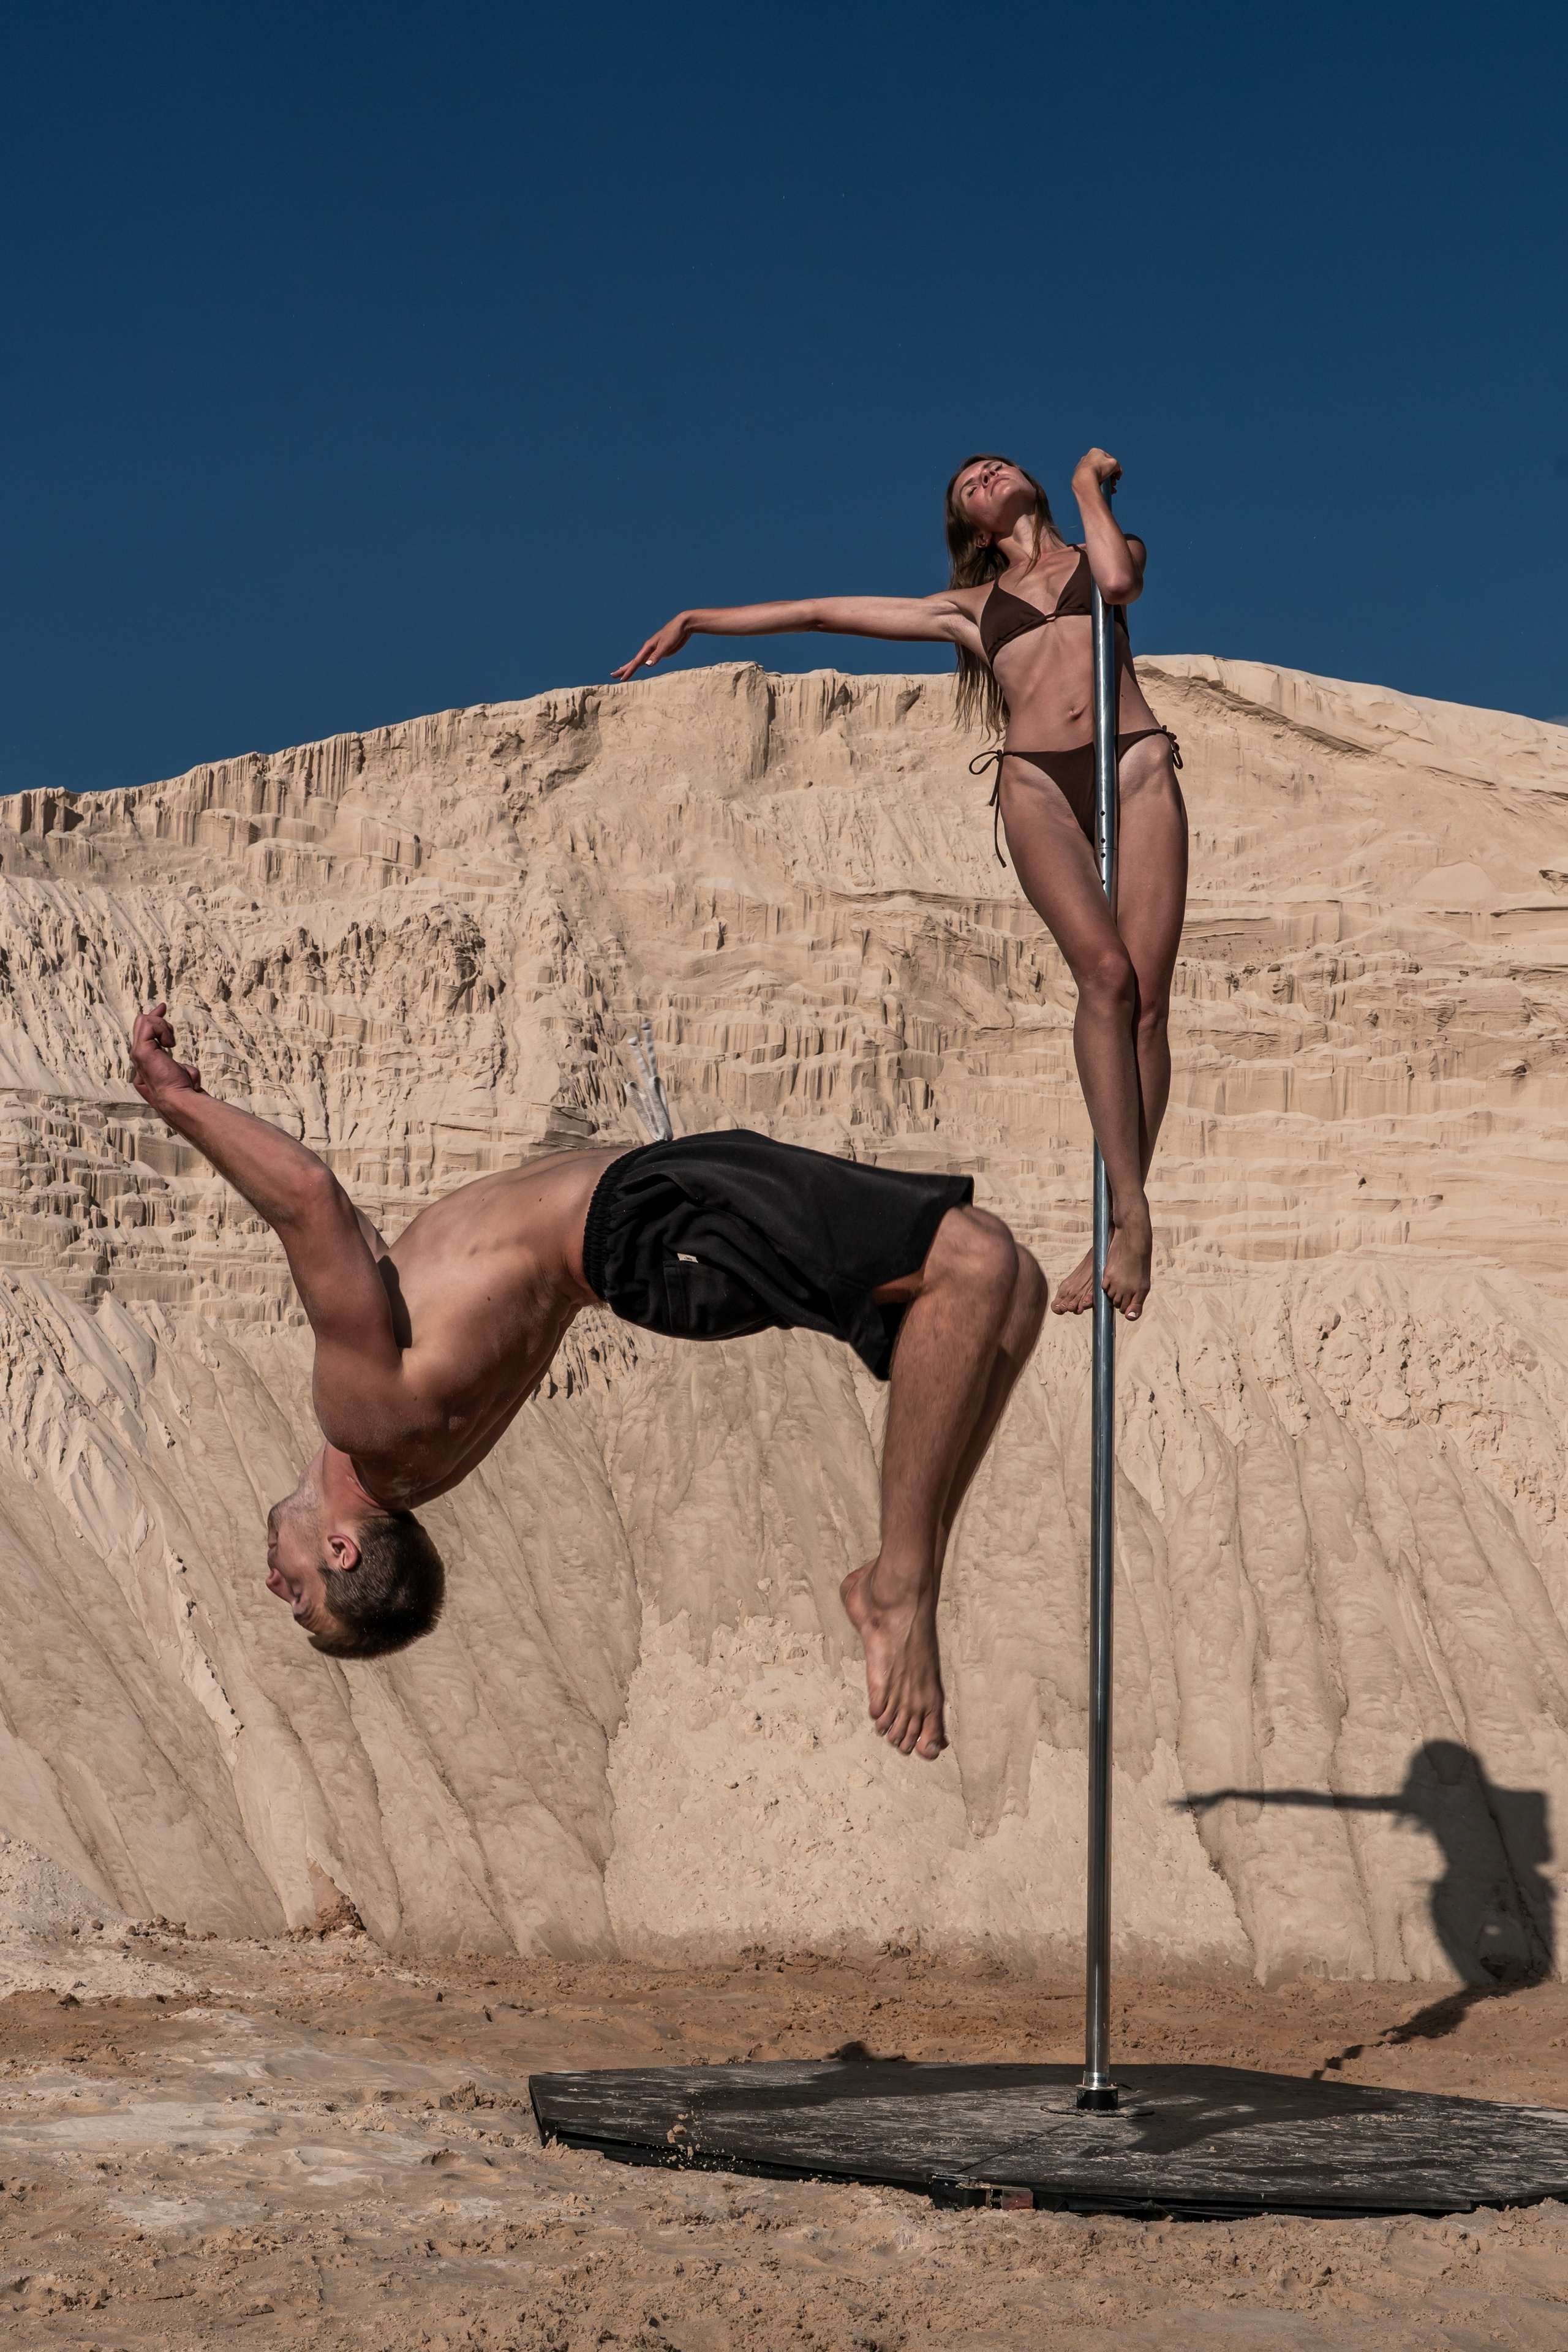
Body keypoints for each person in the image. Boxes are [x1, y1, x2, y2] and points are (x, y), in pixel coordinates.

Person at [127, 1005, 1045, 1762]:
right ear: (341, 1553)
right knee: (970, 1268)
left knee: (1008, 1279)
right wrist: (174, 1105)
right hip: (642, 1231)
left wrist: (216, 1107)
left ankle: (901, 1573)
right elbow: (311, 1204)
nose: (270, 1582)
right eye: (298, 1597)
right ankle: (898, 1587)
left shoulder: (403, 1451)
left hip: (643, 1221)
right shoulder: (367, 1422)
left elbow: (357, 1240)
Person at [613, 448, 1188, 1322]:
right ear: (969, 527)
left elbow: (1117, 582)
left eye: (995, 467)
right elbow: (818, 612)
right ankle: (1130, 1213)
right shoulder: (966, 611)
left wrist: (1085, 491)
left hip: (1137, 762)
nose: (984, 475)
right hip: (1037, 781)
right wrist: (702, 618)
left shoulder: (1113, 546)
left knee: (1148, 1005)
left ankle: (1125, 1210)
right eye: (967, 485)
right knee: (1104, 979)